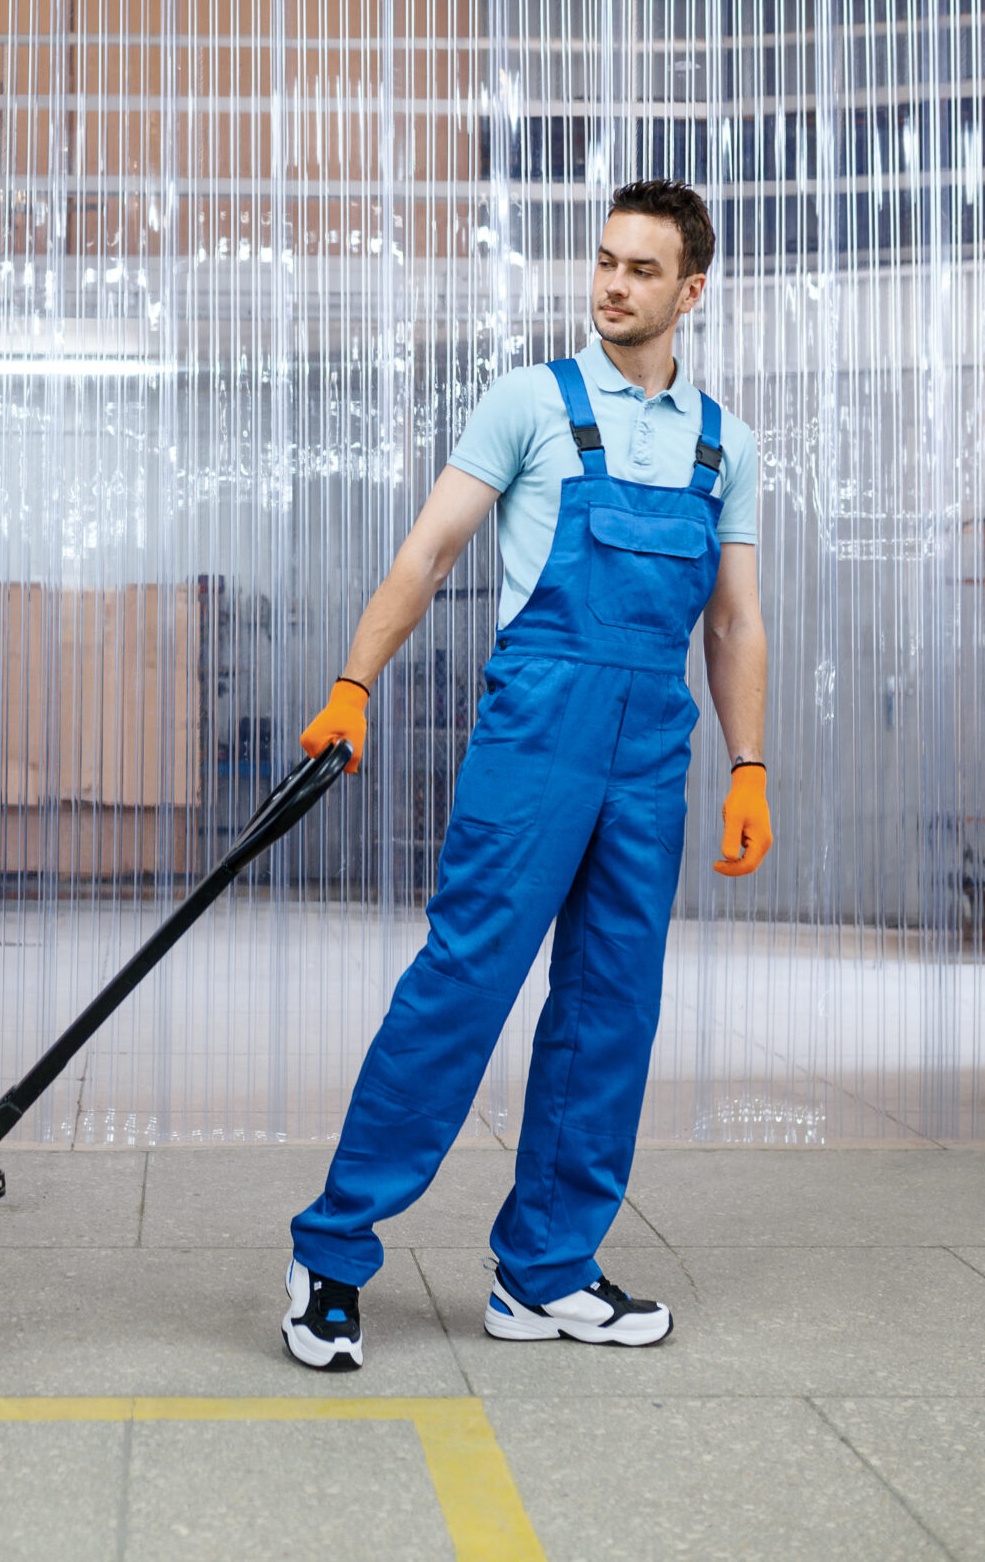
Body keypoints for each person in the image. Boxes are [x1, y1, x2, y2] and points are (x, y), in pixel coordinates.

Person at [280, 180, 772, 1370]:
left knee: (612, 1006)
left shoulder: (723, 441)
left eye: (640, 269)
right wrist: (353, 680)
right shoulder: (531, 403)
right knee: (462, 984)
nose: (611, 284)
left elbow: (735, 624)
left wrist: (747, 761)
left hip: (652, 748)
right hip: (537, 732)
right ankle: (330, 1257)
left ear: (689, 291)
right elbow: (430, 549)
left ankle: (544, 1269)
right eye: (603, 261)